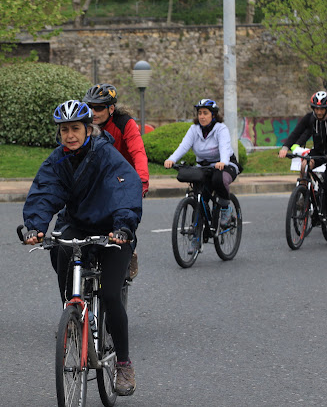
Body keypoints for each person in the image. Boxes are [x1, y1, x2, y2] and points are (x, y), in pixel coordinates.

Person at [22, 100, 142, 396]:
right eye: (64, 130)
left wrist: (123, 227)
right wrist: (36, 227)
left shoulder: (106, 155)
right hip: (77, 224)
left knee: (112, 294)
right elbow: (44, 192)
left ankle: (124, 363)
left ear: (89, 129)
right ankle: (73, 313)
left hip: (113, 230)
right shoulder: (57, 160)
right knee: (59, 247)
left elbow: (125, 190)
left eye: (76, 128)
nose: (70, 135)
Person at [82, 83, 149, 280]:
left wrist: (142, 183)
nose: (93, 112)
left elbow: (138, 152)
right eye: (90, 107)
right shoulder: (85, 124)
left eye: (99, 108)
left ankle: (129, 254)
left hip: (123, 180)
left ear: (111, 108)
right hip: (97, 179)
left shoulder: (124, 123)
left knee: (125, 219)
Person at [164, 99, 241, 248]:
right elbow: (184, 145)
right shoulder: (194, 129)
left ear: (213, 115)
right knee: (199, 199)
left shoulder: (220, 128)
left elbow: (225, 146)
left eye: (205, 113)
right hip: (204, 167)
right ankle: (197, 235)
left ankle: (225, 208)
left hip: (225, 164)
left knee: (219, 179)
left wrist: (223, 161)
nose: (202, 116)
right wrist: (171, 159)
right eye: (199, 113)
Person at [278, 91, 327, 236]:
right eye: (316, 108)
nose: (319, 111)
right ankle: (304, 195)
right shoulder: (311, 118)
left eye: (321, 109)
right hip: (319, 152)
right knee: (304, 165)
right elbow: (296, 133)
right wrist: (285, 148)